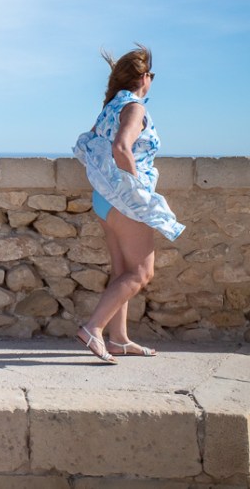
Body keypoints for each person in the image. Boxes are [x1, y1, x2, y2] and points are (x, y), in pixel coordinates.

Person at [72, 44, 185, 364]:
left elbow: (88, 144)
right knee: (141, 273)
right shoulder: (134, 108)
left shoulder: (110, 108)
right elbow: (122, 148)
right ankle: (93, 328)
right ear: (144, 77)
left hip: (104, 198)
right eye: (152, 75)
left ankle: (118, 339)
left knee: (121, 271)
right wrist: (137, 192)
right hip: (124, 200)